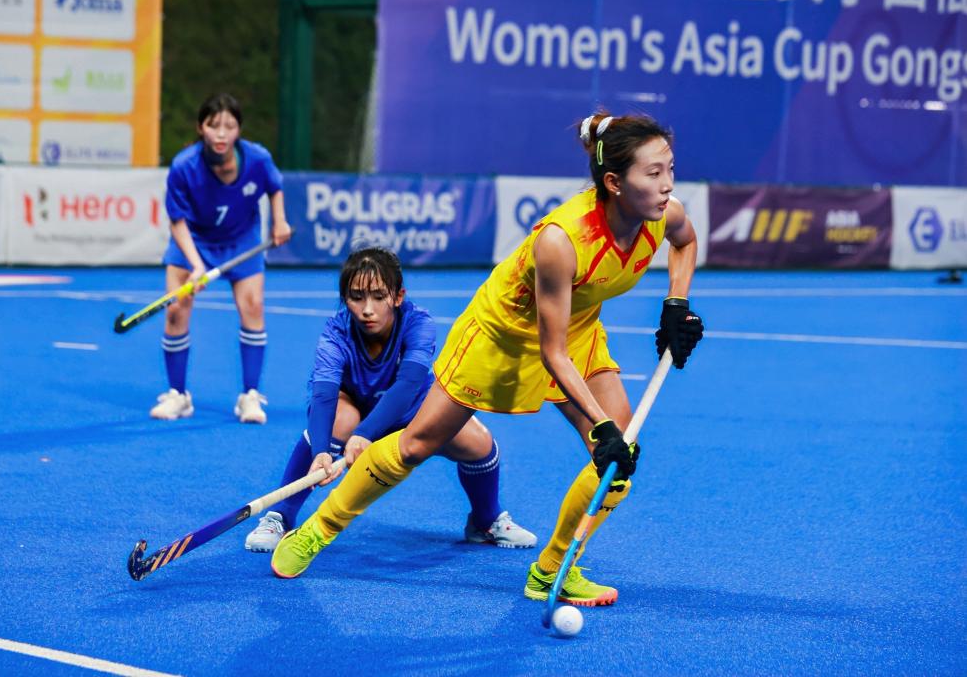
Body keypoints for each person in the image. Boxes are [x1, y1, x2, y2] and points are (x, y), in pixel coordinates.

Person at [269, 111, 704, 605]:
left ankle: (552, 570)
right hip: (501, 337)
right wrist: (601, 426)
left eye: (670, 169)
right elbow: (551, 352)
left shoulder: (663, 214)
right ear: (614, 183)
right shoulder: (562, 240)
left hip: (577, 332)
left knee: (618, 462)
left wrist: (676, 304)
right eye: (654, 173)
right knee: (415, 444)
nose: (668, 184)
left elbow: (685, 241)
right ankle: (318, 530)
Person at [244, 246, 537, 552]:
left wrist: (365, 434)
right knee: (338, 421)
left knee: (479, 444)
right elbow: (323, 394)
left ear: (398, 297)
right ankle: (280, 515)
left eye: (378, 296)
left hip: (411, 409)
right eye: (356, 297)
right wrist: (320, 451)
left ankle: (485, 521)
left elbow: (408, 384)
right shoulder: (336, 333)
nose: (367, 309)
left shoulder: (418, 323)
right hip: (355, 408)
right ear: (345, 298)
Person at [150, 93, 292, 424]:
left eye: (229, 126)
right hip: (194, 239)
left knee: (253, 307)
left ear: (239, 130)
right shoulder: (184, 166)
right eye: (214, 125)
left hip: (242, 240)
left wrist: (280, 221)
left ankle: (250, 396)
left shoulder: (257, 159)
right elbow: (177, 220)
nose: (221, 133)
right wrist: (196, 264)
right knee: (176, 310)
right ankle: (178, 395)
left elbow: (275, 186)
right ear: (201, 128)